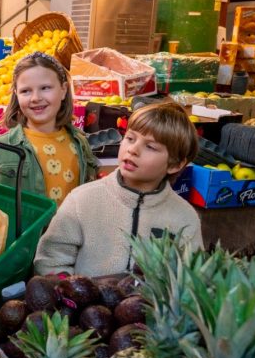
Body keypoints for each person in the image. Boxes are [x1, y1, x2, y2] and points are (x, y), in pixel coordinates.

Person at [34, 101, 202, 277]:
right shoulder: (82, 200)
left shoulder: (184, 218)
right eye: (130, 138)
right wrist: (68, 286)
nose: (133, 150)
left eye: (150, 147)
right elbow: (50, 261)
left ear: (175, 165)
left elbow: (192, 278)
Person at [0, 52, 98, 206]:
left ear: (63, 90)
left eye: (45, 88)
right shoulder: (0, 149)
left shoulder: (80, 144)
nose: (35, 98)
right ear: (16, 94)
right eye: (25, 91)